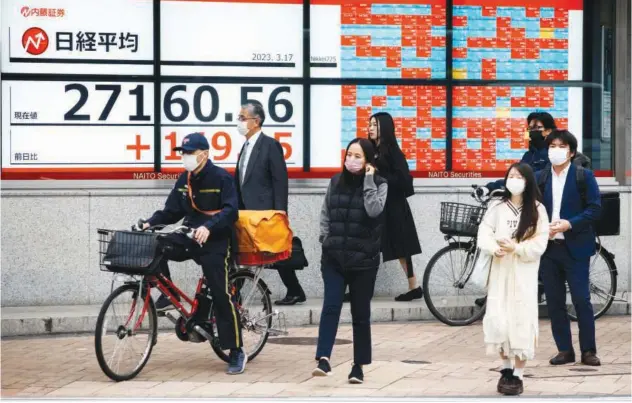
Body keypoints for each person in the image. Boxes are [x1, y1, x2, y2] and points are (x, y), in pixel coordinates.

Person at [141, 132, 247, 375]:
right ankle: (166, 295)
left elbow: (232, 212)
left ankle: (236, 350)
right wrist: (148, 223)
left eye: (190, 153)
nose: (185, 157)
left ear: (205, 154)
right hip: (189, 235)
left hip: (216, 239)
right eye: (183, 153)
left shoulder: (222, 178)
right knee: (157, 245)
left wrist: (209, 227)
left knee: (220, 293)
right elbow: (170, 212)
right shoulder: (185, 179)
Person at [312, 138, 388, 384]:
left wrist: (368, 180)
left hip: (364, 261)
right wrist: (325, 238)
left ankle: (358, 366)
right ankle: (323, 358)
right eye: (349, 155)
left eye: (357, 156)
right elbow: (326, 212)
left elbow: (374, 210)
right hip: (334, 257)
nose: (351, 160)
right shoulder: (335, 182)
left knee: (360, 314)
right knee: (331, 307)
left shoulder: (379, 184)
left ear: (368, 161)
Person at [477, 162, 549, 396]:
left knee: (521, 320)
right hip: (500, 272)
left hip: (524, 274)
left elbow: (540, 243)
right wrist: (492, 247)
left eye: (519, 176)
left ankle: (517, 374)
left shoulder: (538, 209)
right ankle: (505, 368)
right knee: (498, 319)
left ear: (528, 181)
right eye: (511, 175)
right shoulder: (497, 207)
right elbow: (484, 232)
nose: (514, 180)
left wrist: (516, 248)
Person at [537, 130, 602, 366]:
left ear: (571, 151)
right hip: (548, 249)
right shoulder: (540, 177)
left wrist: (569, 224)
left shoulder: (583, 176)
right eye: (552, 146)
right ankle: (565, 350)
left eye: (561, 146)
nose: (556, 150)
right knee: (554, 302)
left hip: (575, 247)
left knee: (581, 300)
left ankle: (588, 351)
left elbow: (595, 209)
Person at [234, 103, 307, 306]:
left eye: (242, 117)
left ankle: (294, 290)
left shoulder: (270, 145)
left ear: (255, 121)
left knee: (274, 251)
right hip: (245, 211)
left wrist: (280, 211)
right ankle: (235, 293)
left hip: (266, 211)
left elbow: (279, 180)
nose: (238, 121)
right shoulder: (245, 147)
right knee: (243, 251)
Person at [368, 112, 423, 301]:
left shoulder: (392, 152)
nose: (370, 128)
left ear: (384, 127)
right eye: (370, 124)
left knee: (401, 248)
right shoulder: (371, 150)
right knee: (371, 246)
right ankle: (363, 288)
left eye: (374, 124)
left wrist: (379, 175)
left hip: (394, 207)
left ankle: (414, 286)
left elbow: (405, 181)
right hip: (377, 206)